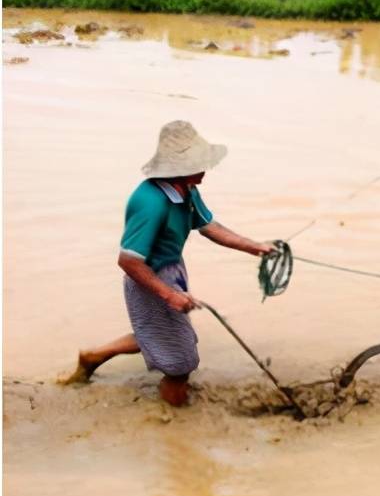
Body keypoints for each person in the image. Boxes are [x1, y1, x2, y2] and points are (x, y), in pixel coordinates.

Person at [59, 120, 273, 406]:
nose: (206, 168)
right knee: (180, 365)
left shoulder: (187, 191)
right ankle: (174, 424)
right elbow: (129, 261)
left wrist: (254, 247)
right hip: (149, 279)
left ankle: (94, 356)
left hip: (172, 270)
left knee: (157, 333)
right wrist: (169, 294)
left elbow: (209, 226)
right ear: (181, 167)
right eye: (200, 162)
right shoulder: (151, 202)